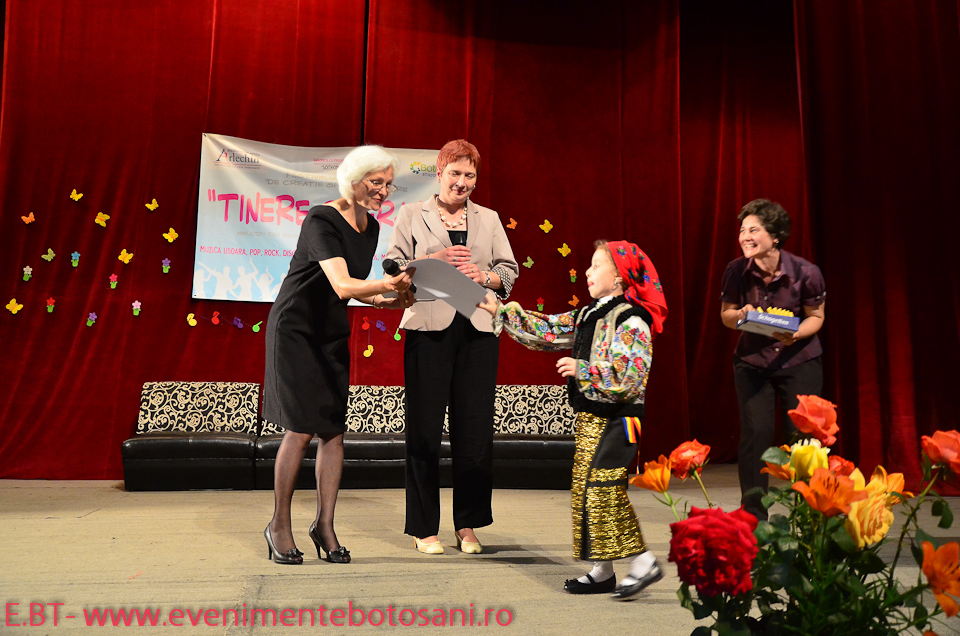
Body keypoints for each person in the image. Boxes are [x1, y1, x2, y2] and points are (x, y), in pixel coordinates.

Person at [479, 240, 668, 600]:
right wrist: (501, 310)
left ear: (619, 277)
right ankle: (603, 571)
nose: (587, 271)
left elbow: (631, 376)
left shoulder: (632, 319)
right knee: (585, 490)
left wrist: (585, 370)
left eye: (596, 265)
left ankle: (643, 561)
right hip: (591, 417)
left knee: (602, 488)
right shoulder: (587, 315)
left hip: (620, 419)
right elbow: (549, 329)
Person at [262, 145, 416, 565]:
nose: (383, 191)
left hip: (330, 331)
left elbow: (361, 293)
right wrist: (388, 286)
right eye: (376, 182)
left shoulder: (371, 227)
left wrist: (395, 298)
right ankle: (279, 525)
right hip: (295, 329)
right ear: (352, 180)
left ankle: (324, 526)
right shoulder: (321, 219)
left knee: (333, 431)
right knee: (300, 428)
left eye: (388, 184)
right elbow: (344, 284)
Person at [384, 139, 519, 555]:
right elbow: (392, 267)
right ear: (439, 173)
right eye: (455, 173)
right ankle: (424, 528)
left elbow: (508, 270)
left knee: (474, 432)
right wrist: (433, 261)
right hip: (429, 330)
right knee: (424, 431)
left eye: (469, 175)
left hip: (477, 330)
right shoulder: (411, 214)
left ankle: (468, 524)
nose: (462, 182)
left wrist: (484, 276)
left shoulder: (489, 218)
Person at [720, 198, 826, 521]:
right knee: (756, 437)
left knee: (803, 441)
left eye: (753, 230)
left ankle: (809, 518)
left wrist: (796, 333)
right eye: (742, 230)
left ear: (775, 236)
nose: (745, 237)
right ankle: (754, 518)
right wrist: (740, 315)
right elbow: (726, 315)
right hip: (753, 363)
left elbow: (816, 316)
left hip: (799, 360)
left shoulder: (806, 272)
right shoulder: (736, 271)